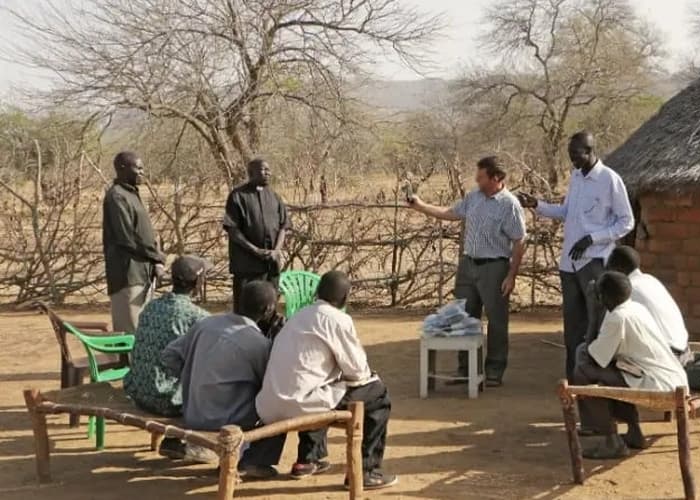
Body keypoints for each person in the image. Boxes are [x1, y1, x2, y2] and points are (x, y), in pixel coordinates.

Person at [256, 271, 397, 490]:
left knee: (323, 386)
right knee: (377, 393)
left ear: (317, 293)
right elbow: (358, 371)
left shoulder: (298, 316)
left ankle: (307, 460)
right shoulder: (338, 320)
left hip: (268, 404)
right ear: (345, 298)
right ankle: (365, 472)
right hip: (301, 403)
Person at [517, 132, 634, 381]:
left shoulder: (609, 180)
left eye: (576, 155)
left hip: (594, 261)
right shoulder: (576, 178)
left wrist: (593, 238)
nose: (572, 160)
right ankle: (574, 379)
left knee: (597, 323)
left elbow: (627, 222)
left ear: (590, 151)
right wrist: (536, 205)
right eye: (570, 155)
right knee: (573, 327)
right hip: (569, 263)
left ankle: (598, 379)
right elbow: (566, 212)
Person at [407, 156, 527, 386]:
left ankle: (493, 372)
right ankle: (466, 369)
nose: (477, 180)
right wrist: (420, 206)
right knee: (463, 316)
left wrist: (511, 275)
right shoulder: (473, 198)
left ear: (496, 178)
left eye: (481, 177)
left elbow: (519, 241)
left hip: (495, 267)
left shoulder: (510, 205)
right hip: (468, 264)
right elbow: (450, 213)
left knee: (497, 320)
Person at [161, 281, 282, 479]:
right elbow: (269, 383)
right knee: (276, 406)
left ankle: (207, 449)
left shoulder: (206, 324)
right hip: (228, 422)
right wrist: (275, 342)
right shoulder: (258, 343)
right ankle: (252, 461)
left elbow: (169, 355)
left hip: (193, 413)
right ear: (269, 309)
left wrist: (192, 376)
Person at [574, 271, 687, 459]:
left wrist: (593, 312)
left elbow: (594, 358)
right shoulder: (636, 308)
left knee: (583, 371)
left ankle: (612, 441)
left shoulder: (618, 318)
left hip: (661, 388)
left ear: (603, 297)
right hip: (675, 381)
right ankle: (634, 432)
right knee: (606, 370)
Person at [124, 255, 210, 459]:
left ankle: (172, 441)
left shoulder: (151, 307)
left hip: (138, 392)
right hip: (167, 400)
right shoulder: (197, 317)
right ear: (198, 283)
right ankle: (196, 444)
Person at [103, 151, 165, 332]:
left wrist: (154, 261)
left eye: (142, 168)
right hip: (127, 275)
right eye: (138, 168)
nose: (142, 172)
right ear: (122, 168)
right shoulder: (116, 196)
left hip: (143, 273)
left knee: (143, 330)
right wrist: (156, 255)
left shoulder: (132, 194)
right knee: (131, 331)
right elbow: (126, 238)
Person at [223, 158, 291, 314]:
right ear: (251, 173)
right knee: (245, 310)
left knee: (268, 309)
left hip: (270, 266)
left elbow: (284, 226)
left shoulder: (275, 197)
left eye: (269, 170)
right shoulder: (237, 196)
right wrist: (255, 250)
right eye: (263, 170)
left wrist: (276, 251)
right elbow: (233, 230)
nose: (268, 173)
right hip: (247, 266)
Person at [606, 245, 691, 364]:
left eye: (609, 269)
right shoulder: (650, 280)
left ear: (618, 269)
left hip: (668, 357)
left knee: (597, 357)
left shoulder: (627, 291)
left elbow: (609, 335)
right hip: (685, 351)